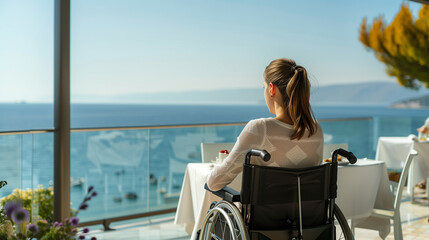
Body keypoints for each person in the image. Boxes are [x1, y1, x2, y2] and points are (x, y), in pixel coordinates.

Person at [207, 58, 324, 191]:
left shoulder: (260, 129)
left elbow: (214, 183)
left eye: (264, 87)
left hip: (265, 212)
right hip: (307, 211)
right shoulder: (316, 130)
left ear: (271, 89)